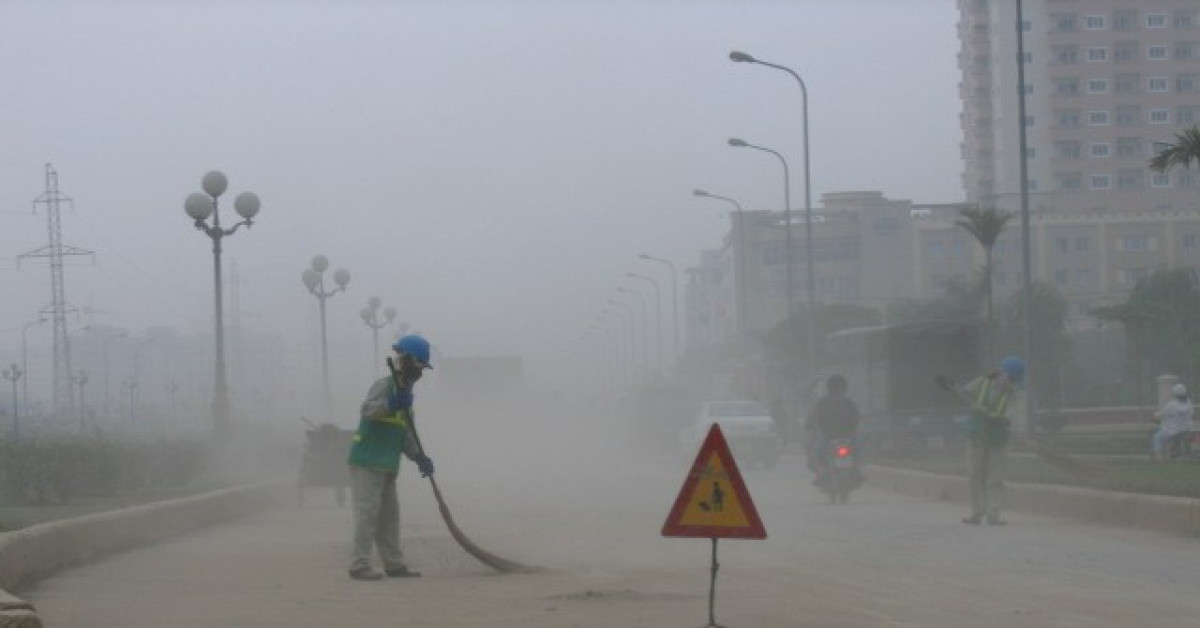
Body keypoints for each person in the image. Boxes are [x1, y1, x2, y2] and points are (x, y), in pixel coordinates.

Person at [346, 334, 436, 581]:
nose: (420, 373)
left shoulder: (405, 396)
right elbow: (367, 410)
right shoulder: (385, 386)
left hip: (386, 464)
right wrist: (390, 404)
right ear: (406, 361)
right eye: (419, 366)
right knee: (367, 514)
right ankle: (359, 565)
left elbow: (405, 433)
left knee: (389, 518)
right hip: (367, 461)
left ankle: (394, 564)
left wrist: (419, 457)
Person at [958, 356, 1023, 526]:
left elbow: (1013, 418)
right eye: (1010, 378)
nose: (1011, 383)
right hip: (977, 435)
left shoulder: (1013, 395)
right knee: (975, 475)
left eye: (1014, 380)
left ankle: (993, 515)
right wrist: (953, 388)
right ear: (1002, 373)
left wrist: (1002, 420)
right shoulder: (981, 383)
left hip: (997, 440)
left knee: (995, 478)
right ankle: (976, 513)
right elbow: (963, 393)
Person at [807, 374, 861, 482]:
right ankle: (855, 472)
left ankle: (821, 473)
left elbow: (814, 419)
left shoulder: (823, 402)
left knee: (816, 451)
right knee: (858, 450)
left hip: (829, 437)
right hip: (846, 437)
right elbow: (857, 417)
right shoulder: (848, 402)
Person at [1152, 383, 1194, 461]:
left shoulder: (1172, 405)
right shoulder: (1188, 403)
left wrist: (1154, 415)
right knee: (1164, 435)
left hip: (1173, 431)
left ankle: (1159, 458)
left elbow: (1160, 414)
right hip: (1186, 429)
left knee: (1157, 437)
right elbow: (1191, 414)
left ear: (1174, 394)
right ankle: (1169, 455)